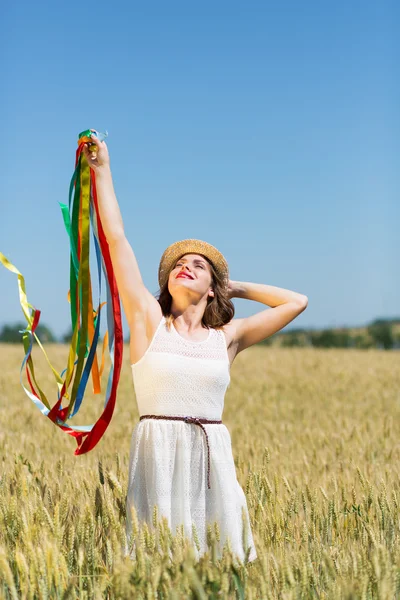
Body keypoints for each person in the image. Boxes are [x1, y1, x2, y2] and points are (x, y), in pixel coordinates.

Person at [82, 131, 308, 564]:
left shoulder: (229, 338)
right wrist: (103, 171)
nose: (185, 266)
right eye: (178, 265)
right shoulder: (148, 321)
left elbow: (296, 302)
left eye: (197, 266)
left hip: (212, 464)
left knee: (218, 569)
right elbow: (116, 241)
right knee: (156, 566)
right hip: (159, 459)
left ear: (211, 288)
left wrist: (233, 287)